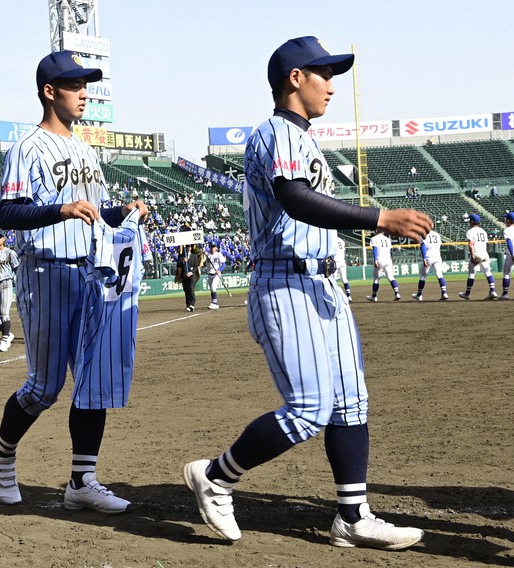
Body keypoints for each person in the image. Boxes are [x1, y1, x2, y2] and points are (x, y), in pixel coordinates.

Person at [183, 36, 428, 549]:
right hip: (285, 281)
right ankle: (217, 476)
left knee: (350, 405)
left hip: (322, 283)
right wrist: (379, 218)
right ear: (295, 78)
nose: (331, 86)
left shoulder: (303, 137)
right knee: (309, 408)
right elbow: (295, 199)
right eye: (324, 75)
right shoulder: (275, 133)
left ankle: (353, 517)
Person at [0, 50, 148, 514]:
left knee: (93, 381)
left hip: (92, 274)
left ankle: (82, 479)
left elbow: (94, 215)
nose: (84, 93)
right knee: (44, 386)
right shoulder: (27, 147)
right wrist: (61, 209)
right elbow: (8, 212)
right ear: (49, 91)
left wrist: (125, 212)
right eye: (75, 85)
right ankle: (1, 455)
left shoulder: (86, 149)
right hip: (47, 271)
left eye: (86, 85)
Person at [0, 230, 20, 352]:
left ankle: (4, 339)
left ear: (4, 239)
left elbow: (17, 268)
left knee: (4, 313)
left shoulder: (10, 253)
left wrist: (18, 283)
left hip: (6, 283)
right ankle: (8, 334)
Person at [458, 213, 497, 300]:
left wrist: (472, 255)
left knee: (471, 274)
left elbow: (471, 245)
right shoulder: (483, 231)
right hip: (484, 254)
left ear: (472, 221)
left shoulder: (470, 231)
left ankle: (467, 294)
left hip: (477, 254)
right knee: (488, 272)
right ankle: (493, 291)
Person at [411, 229, 448, 301]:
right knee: (439, 275)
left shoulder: (423, 234)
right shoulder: (436, 234)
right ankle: (444, 293)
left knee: (423, 277)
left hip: (428, 257)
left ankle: (419, 295)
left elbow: (423, 246)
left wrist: (424, 258)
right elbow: (439, 245)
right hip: (437, 257)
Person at [365, 230, 401, 302]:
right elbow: (390, 250)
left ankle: (374, 296)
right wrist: (395, 248)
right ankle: (397, 293)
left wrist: (375, 260)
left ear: (376, 231)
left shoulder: (374, 238)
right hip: (388, 260)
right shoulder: (387, 239)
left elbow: (375, 249)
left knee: (376, 279)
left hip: (380, 259)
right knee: (391, 277)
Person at [176, 244, 202, 311]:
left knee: (191, 289)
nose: (188, 248)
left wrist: (191, 272)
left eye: (189, 247)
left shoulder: (194, 256)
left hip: (192, 275)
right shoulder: (181, 256)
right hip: (184, 275)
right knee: (186, 290)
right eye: (187, 247)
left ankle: (192, 304)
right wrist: (183, 261)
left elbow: (196, 267)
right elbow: (178, 264)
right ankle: (188, 304)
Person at [205, 243, 226, 309]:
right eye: (211, 247)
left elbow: (223, 264)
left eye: (214, 247)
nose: (212, 248)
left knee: (214, 287)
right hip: (209, 273)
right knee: (211, 289)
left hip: (216, 274)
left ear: (216, 248)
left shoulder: (219, 254)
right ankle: (214, 302)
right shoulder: (207, 255)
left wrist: (219, 270)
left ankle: (214, 303)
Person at [334, 236, 352, 301]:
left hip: (335, 262)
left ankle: (335, 295)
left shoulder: (331, 239)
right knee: (344, 279)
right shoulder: (342, 241)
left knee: (333, 280)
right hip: (342, 261)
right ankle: (349, 296)